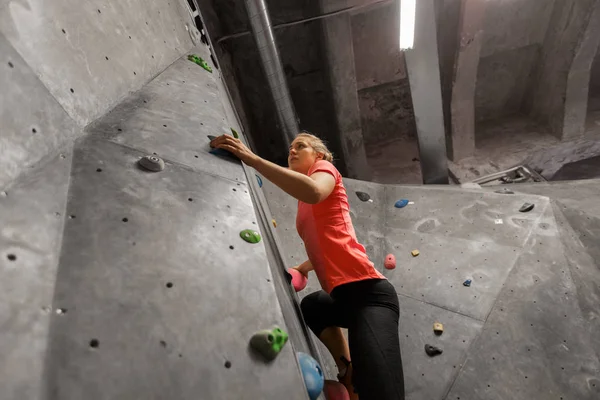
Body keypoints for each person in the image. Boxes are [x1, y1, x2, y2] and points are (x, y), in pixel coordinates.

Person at [211, 132, 405, 400]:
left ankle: (360, 382)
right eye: (290, 147)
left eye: (300, 146)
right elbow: (326, 246)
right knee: (313, 305)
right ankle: (347, 371)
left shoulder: (325, 171)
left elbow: (314, 191)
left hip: (370, 296)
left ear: (319, 155)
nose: (291, 151)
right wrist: (303, 268)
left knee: (381, 395)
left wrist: (252, 159)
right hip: (344, 298)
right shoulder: (303, 199)